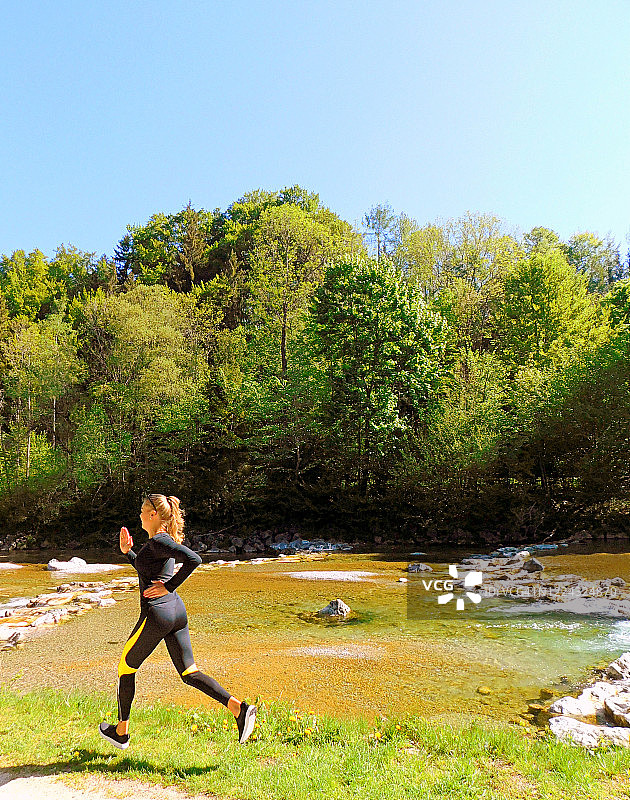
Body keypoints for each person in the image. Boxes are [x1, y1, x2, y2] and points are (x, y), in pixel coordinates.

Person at [99, 493, 257, 749]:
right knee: (189, 673)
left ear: (153, 515)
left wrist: (168, 586)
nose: (140, 515)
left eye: (143, 511)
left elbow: (195, 559)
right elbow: (147, 569)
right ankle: (240, 709)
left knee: (126, 668)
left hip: (158, 614)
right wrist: (128, 553)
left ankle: (121, 732)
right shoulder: (161, 542)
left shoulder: (159, 541)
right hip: (175, 612)